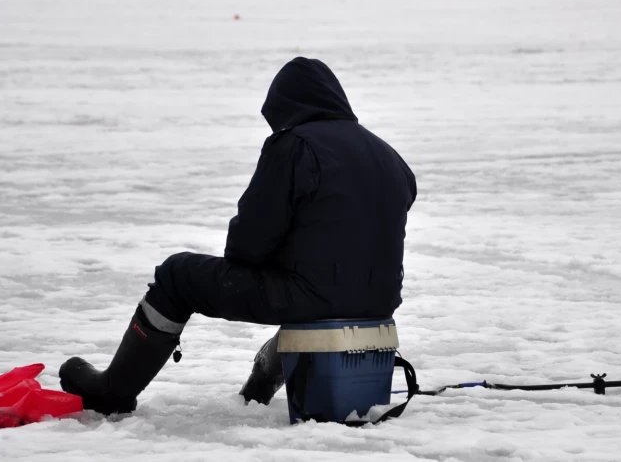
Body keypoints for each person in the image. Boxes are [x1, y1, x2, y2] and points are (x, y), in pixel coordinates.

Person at [59, 57, 417, 415]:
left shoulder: (294, 145)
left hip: (315, 297)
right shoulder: (390, 156)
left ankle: (112, 391)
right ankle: (259, 386)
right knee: (314, 298)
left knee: (177, 275)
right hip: (379, 304)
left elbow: (248, 244)